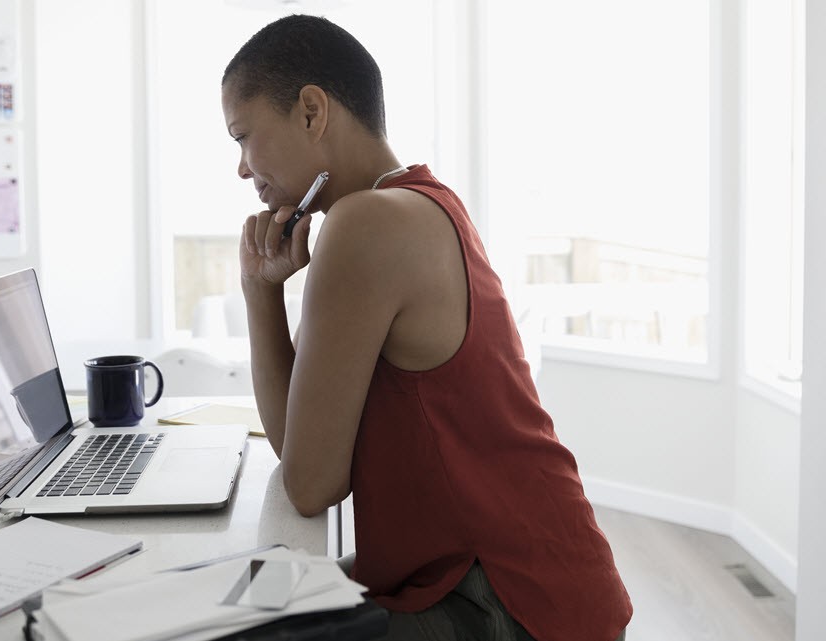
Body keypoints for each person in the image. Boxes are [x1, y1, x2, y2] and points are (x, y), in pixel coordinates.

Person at [221, 14, 632, 641]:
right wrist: (260, 290)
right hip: (493, 573)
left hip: (508, 598)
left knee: (239, 620)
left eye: (244, 137)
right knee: (244, 603)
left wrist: (262, 291)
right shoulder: (407, 203)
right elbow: (297, 446)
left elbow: (310, 485)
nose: (244, 170)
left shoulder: (369, 226)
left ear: (311, 111)